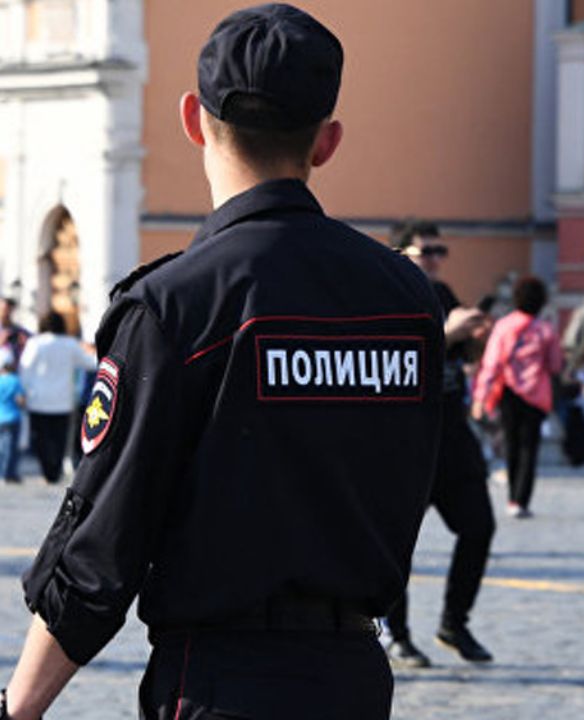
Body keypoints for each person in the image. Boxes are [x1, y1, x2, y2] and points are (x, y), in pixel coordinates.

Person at [1, 6, 445, 719]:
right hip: (355, 678)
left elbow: (102, 542)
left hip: (218, 680)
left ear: (192, 119)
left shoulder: (175, 306)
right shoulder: (407, 299)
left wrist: (18, 705)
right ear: (327, 142)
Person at [381, 220, 497, 667]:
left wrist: (473, 341)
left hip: (452, 434)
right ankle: (398, 634)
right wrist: (448, 335)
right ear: (400, 253)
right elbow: (394, 356)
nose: (434, 258)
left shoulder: (443, 293)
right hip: (403, 443)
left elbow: (457, 358)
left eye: (439, 251)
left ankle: (454, 622)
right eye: (425, 250)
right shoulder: (387, 294)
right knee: (396, 545)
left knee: (479, 527)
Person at [472, 276, 563, 518]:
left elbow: (491, 364)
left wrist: (480, 397)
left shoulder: (503, 326)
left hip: (509, 393)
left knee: (511, 444)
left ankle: (512, 496)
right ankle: (522, 500)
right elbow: (555, 365)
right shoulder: (545, 329)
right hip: (536, 395)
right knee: (529, 448)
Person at [17, 312, 97, 484]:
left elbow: (25, 369)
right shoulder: (70, 344)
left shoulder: (35, 344)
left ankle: (47, 471)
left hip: (38, 399)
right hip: (63, 401)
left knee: (40, 437)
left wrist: (23, 390)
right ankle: (55, 472)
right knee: (59, 438)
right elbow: (90, 363)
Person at [0, 348, 25, 484]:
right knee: (10, 448)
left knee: (1, 447)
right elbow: (21, 400)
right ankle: (8, 474)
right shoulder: (15, 380)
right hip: (12, 417)